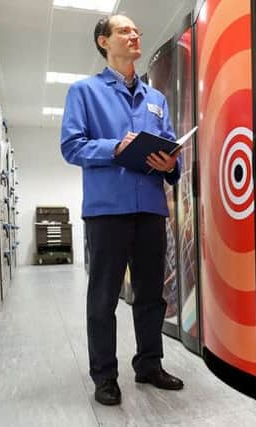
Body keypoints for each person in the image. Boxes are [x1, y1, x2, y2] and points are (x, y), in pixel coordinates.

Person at [60, 13, 184, 406]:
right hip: (106, 211)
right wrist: (114, 147)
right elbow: (72, 146)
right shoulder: (83, 92)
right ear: (103, 41)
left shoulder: (156, 99)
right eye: (124, 31)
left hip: (150, 209)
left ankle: (149, 365)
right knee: (104, 297)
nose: (134, 35)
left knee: (151, 295)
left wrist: (172, 164)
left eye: (137, 31)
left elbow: (168, 147)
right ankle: (105, 376)